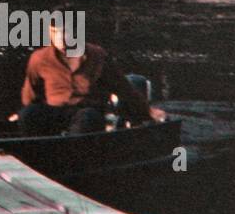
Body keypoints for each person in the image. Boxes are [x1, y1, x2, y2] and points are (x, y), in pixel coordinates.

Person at [15, 15, 164, 136]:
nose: (59, 37)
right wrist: (23, 113)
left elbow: (123, 88)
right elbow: (31, 94)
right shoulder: (40, 58)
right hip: (55, 112)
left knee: (87, 118)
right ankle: (36, 152)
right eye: (54, 32)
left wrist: (147, 111)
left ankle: (74, 155)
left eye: (64, 31)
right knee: (29, 114)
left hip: (86, 113)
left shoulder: (97, 56)